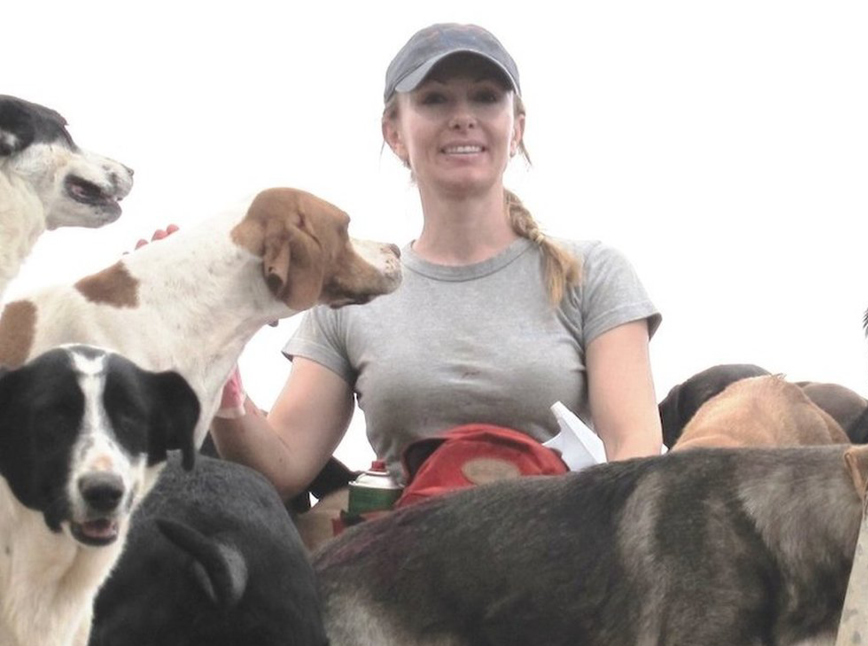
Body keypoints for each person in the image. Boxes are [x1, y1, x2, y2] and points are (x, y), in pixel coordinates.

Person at [211, 22, 663, 498]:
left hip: (554, 556)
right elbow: (281, 465)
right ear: (394, 132)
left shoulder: (592, 273)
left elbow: (632, 446)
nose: (463, 117)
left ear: (517, 129)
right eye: (434, 100)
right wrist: (212, 352)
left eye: (487, 97)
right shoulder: (353, 292)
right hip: (405, 558)